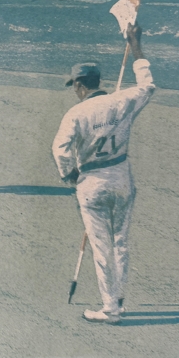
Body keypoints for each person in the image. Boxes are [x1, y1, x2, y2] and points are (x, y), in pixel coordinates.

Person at [52, 23, 153, 324]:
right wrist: (135, 45)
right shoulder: (121, 101)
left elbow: (59, 150)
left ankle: (111, 308)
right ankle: (118, 295)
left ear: (81, 86)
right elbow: (148, 86)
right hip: (121, 175)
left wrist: (68, 176)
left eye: (74, 86)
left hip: (92, 182)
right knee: (120, 240)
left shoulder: (76, 113)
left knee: (101, 246)